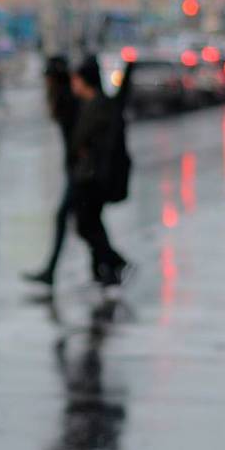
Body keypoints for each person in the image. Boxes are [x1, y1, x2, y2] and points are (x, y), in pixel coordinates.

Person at [70, 55, 130, 288]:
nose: (73, 84)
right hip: (92, 176)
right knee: (92, 224)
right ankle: (106, 273)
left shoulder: (98, 107)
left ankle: (116, 263)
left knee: (87, 225)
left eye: (76, 80)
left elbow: (81, 141)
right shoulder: (92, 105)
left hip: (94, 178)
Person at [24, 54, 82, 286]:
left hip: (80, 171)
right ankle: (109, 266)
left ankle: (113, 265)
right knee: (86, 223)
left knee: (73, 220)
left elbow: (78, 138)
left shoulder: (67, 101)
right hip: (76, 169)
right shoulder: (65, 99)